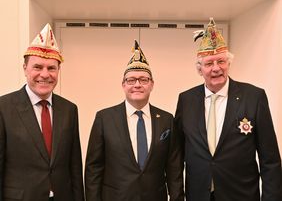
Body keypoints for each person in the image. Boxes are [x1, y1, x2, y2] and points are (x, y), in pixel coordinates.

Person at [174, 18, 282, 201]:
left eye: (221, 61)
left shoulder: (254, 97)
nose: (216, 68)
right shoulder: (186, 100)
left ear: (229, 63)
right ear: (200, 70)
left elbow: (270, 159)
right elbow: (177, 156)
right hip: (199, 195)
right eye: (209, 64)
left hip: (242, 195)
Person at [85, 40, 184, 201]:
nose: (137, 85)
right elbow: (93, 169)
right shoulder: (104, 118)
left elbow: (174, 169)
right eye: (131, 80)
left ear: (152, 85)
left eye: (143, 80)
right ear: (123, 85)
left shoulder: (167, 120)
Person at [0, 23, 84, 201]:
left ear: (58, 70)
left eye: (51, 68)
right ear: (25, 69)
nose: (45, 74)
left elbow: (74, 166)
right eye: (38, 67)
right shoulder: (4, 107)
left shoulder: (69, 109)